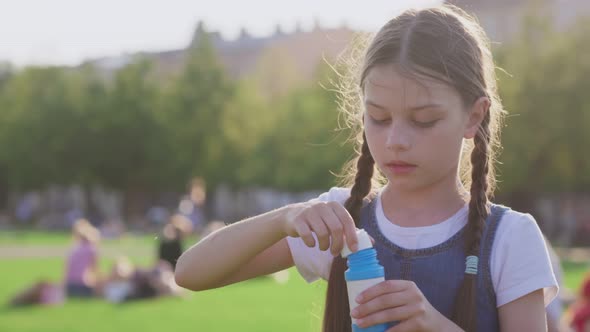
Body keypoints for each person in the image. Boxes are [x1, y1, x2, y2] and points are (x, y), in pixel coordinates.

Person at [175, 5, 558, 331]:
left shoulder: (509, 238)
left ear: (474, 116)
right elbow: (190, 273)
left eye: (423, 120)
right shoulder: (344, 221)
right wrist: (285, 218)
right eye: (378, 117)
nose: (395, 140)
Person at [64, 218, 101, 298]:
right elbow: (95, 270)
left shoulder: (74, 248)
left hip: (69, 286)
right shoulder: (92, 249)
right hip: (82, 286)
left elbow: (66, 270)